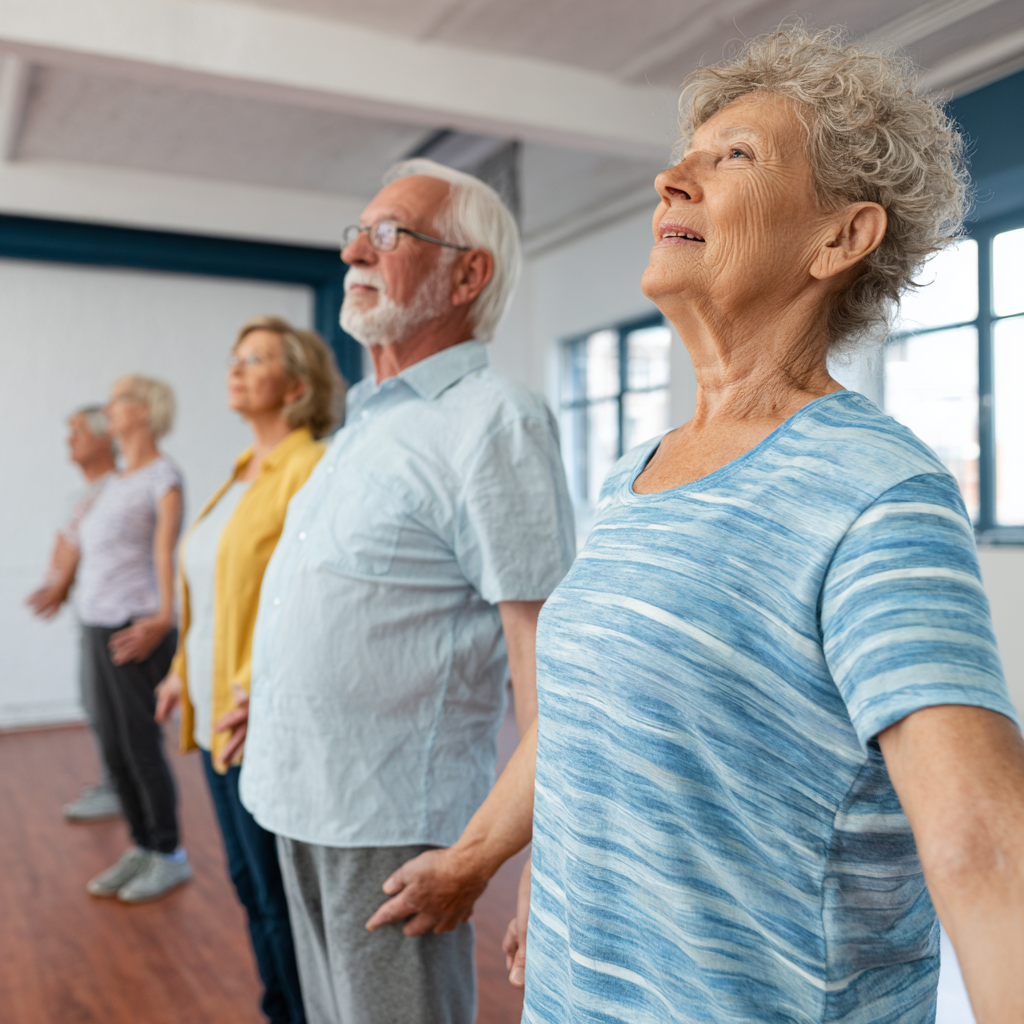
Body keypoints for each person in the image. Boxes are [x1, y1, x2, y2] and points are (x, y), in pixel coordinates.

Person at [365, 27, 1024, 1023]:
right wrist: (484, 858)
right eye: (687, 153)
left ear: (840, 238)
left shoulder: (874, 486)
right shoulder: (638, 471)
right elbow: (586, 710)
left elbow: (982, 842)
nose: (673, 177)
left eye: (735, 156)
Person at [237, 159, 576, 1024]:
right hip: (292, 790)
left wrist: (528, 852)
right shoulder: (366, 419)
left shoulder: (495, 417)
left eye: (388, 234)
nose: (355, 248)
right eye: (358, 230)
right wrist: (266, 692)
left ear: (469, 273)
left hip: (387, 820)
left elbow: (547, 652)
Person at [154, 316, 341, 1024]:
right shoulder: (240, 472)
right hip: (213, 717)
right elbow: (208, 593)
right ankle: (281, 1009)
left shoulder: (311, 467)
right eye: (234, 358)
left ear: (296, 386)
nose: (235, 369)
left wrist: (264, 691)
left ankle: (297, 1012)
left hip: (256, 718)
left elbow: (309, 601)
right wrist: (179, 670)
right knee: (249, 887)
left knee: (276, 896)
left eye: (255, 360)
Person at [78, 375, 191, 904]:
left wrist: (165, 617)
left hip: (136, 627)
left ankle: (169, 853)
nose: (108, 406)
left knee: (139, 744)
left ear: (145, 411)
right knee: (114, 747)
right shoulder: (118, 481)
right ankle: (143, 845)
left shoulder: (162, 477)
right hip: (97, 626)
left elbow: (167, 552)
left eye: (118, 398)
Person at [26, 406, 119, 820]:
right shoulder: (80, 496)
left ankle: (121, 788)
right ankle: (113, 782)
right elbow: (64, 546)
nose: (71, 440)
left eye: (79, 432)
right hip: (87, 617)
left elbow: (82, 550)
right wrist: (56, 585)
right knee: (94, 703)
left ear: (105, 437)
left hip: (113, 620)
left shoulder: (118, 490)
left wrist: (61, 584)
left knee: (110, 707)